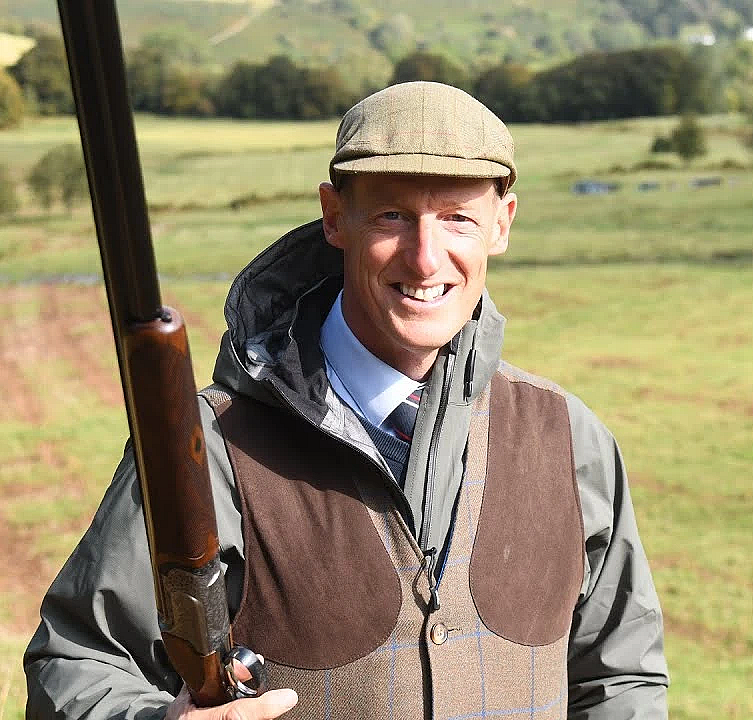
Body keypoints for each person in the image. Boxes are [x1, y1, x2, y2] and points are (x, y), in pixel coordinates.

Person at [24, 81, 669, 720]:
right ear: (335, 217)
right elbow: (78, 661)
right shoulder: (207, 447)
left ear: (503, 224)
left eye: (458, 218)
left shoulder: (569, 438)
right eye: (392, 216)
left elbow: (620, 681)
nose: (424, 258)